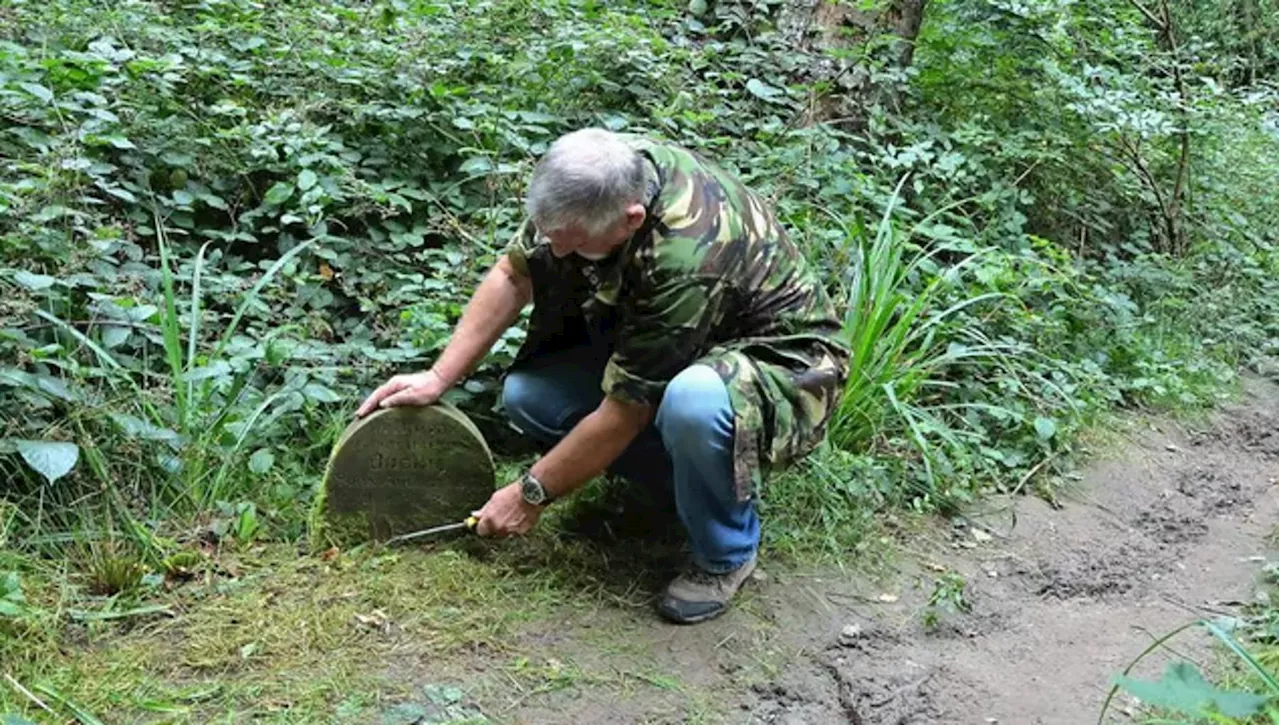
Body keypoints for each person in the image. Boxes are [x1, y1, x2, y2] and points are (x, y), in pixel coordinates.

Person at [356, 128, 849, 624]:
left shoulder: (685, 253)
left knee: (693, 403)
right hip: (677, 345)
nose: (558, 249)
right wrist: (439, 377)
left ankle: (725, 553)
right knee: (532, 395)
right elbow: (514, 274)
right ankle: (672, 492)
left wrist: (531, 493)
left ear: (630, 220)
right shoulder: (588, 181)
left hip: (781, 367)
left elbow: (627, 410)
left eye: (573, 243)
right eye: (550, 235)